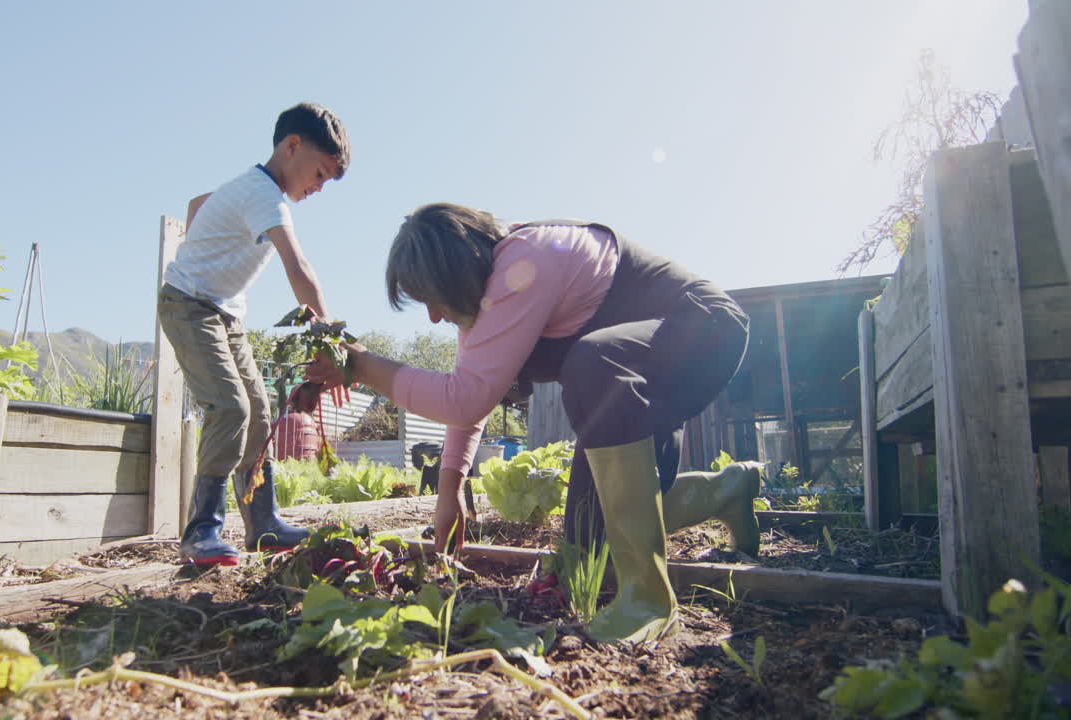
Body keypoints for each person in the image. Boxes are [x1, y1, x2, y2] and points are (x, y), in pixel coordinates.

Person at [308, 203, 758, 643]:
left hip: (705, 333)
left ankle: (649, 602)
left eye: (432, 299)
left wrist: (364, 367)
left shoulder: (528, 261)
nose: (433, 316)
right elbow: (473, 391)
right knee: (588, 541)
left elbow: (464, 399)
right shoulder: (487, 304)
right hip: (634, 378)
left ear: (455, 274)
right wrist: (449, 491)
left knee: (593, 360)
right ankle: (724, 491)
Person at [158, 102, 350, 566]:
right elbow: (298, 267)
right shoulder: (264, 195)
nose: (319, 188)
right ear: (292, 146)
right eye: (320, 174)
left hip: (226, 313)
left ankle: (262, 523)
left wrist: (202, 238)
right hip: (189, 305)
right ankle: (201, 530)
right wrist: (333, 342)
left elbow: (198, 205)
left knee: (260, 414)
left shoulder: (247, 188)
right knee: (230, 408)